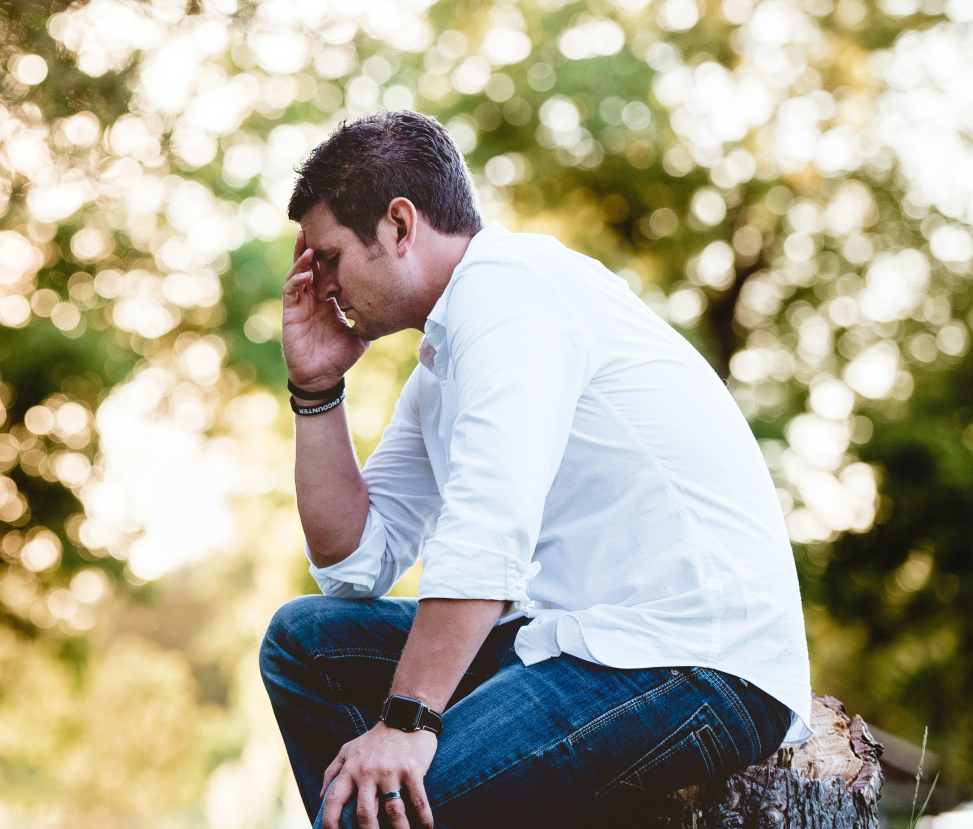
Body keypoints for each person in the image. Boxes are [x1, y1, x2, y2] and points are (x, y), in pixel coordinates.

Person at [259, 110, 812, 829]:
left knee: (387, 811)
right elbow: (356, 563)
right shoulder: (443, 365)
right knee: (306, 642)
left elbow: (489, 528)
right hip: (571, 643)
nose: (322, 285)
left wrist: (406, 722)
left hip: (692, 661)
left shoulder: (510, 293)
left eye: (329, 257)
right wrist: (315, 389)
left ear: (399, 225)